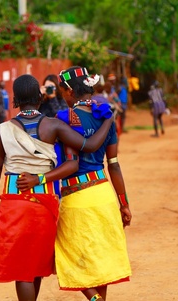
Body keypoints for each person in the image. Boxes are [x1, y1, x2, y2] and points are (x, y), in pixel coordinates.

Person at [0, 74, 114, 301]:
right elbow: (84, 151)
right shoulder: (54, 126)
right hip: (44, 203)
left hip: (13, 202)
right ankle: (94, 296)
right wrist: (108, 120)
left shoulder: (3, 130)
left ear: (15, 99)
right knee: (36, 262)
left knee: (24, 268)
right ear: (40, 97)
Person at [54, 66, 132, 301]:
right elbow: (114, 165)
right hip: (104, 195)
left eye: (61, 91)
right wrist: (124, 203)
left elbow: (70, 161)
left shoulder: (65, 118)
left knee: (64, 252)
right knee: (99, 261)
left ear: (69, 91)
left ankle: (94, 299)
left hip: (76, 197)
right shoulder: (105, 114)